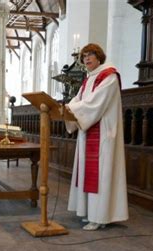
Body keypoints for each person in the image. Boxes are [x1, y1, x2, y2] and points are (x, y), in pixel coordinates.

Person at [64, 43, 128, 231]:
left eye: (91, 55)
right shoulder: (88, 79)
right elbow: (79, 100)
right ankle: (90, 213)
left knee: (101, 174)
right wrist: (66, 107)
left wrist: (73, 108)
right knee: (89, 173)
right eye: (84, 56)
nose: (86, 59)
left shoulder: (108, 76)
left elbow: (94, 103)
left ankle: (100, 216)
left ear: (99, 57)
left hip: (103, 134)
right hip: (89, 131)